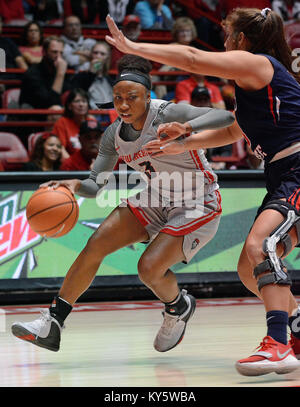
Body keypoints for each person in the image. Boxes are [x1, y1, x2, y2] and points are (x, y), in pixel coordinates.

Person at [104, 9, 300, 376]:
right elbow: (232, 131)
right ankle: (296, 325)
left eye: (227, 36)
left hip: (298, 168)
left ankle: (278, 343)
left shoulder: (257, 64)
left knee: (263, 247)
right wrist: (185, 142)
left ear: (240, 41)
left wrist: (132, 46)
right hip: (282, 174)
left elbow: (192, 57)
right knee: (248, 268)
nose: (224, 43)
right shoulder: (255, 86)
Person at [11, 54, 234, 355]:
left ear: (147, 96)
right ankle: (53, 322)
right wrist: (74, 185)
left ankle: (178, 306)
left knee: (148, 269)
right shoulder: (112, 136)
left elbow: (226, 118)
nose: (124, 105)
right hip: (156, 196)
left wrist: (186, 127)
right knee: (96, 244)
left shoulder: (166, 113)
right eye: (118, 98)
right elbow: (94, 185)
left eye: (132, 98)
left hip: (197, 199)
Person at [19, 35, 70, 109]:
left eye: (61, 53)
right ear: (44, 52)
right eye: (54, 52)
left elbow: (69, 91)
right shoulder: (32, 73)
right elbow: (49, 103)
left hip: (55, 112)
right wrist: (60, 75)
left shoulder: (57, 70)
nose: (59, 57)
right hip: (34, 115)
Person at [52, 88, 96, 159]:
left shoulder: (92, 122)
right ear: (69, 106)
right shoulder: (62, 122)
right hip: (71, 164)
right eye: (77, 101)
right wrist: (72, 166)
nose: (81, 104)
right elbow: (61, 149)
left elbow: (99, 147)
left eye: (84, 101)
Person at [71, 41, 113, 109]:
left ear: (107, 58)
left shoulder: (110, 79)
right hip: (91, 114)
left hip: (110, 114)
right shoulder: (80, 77)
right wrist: (91, 73)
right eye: (95, 53)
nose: (98, 56)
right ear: (91, 55)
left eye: (102, 54)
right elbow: (78, 96)